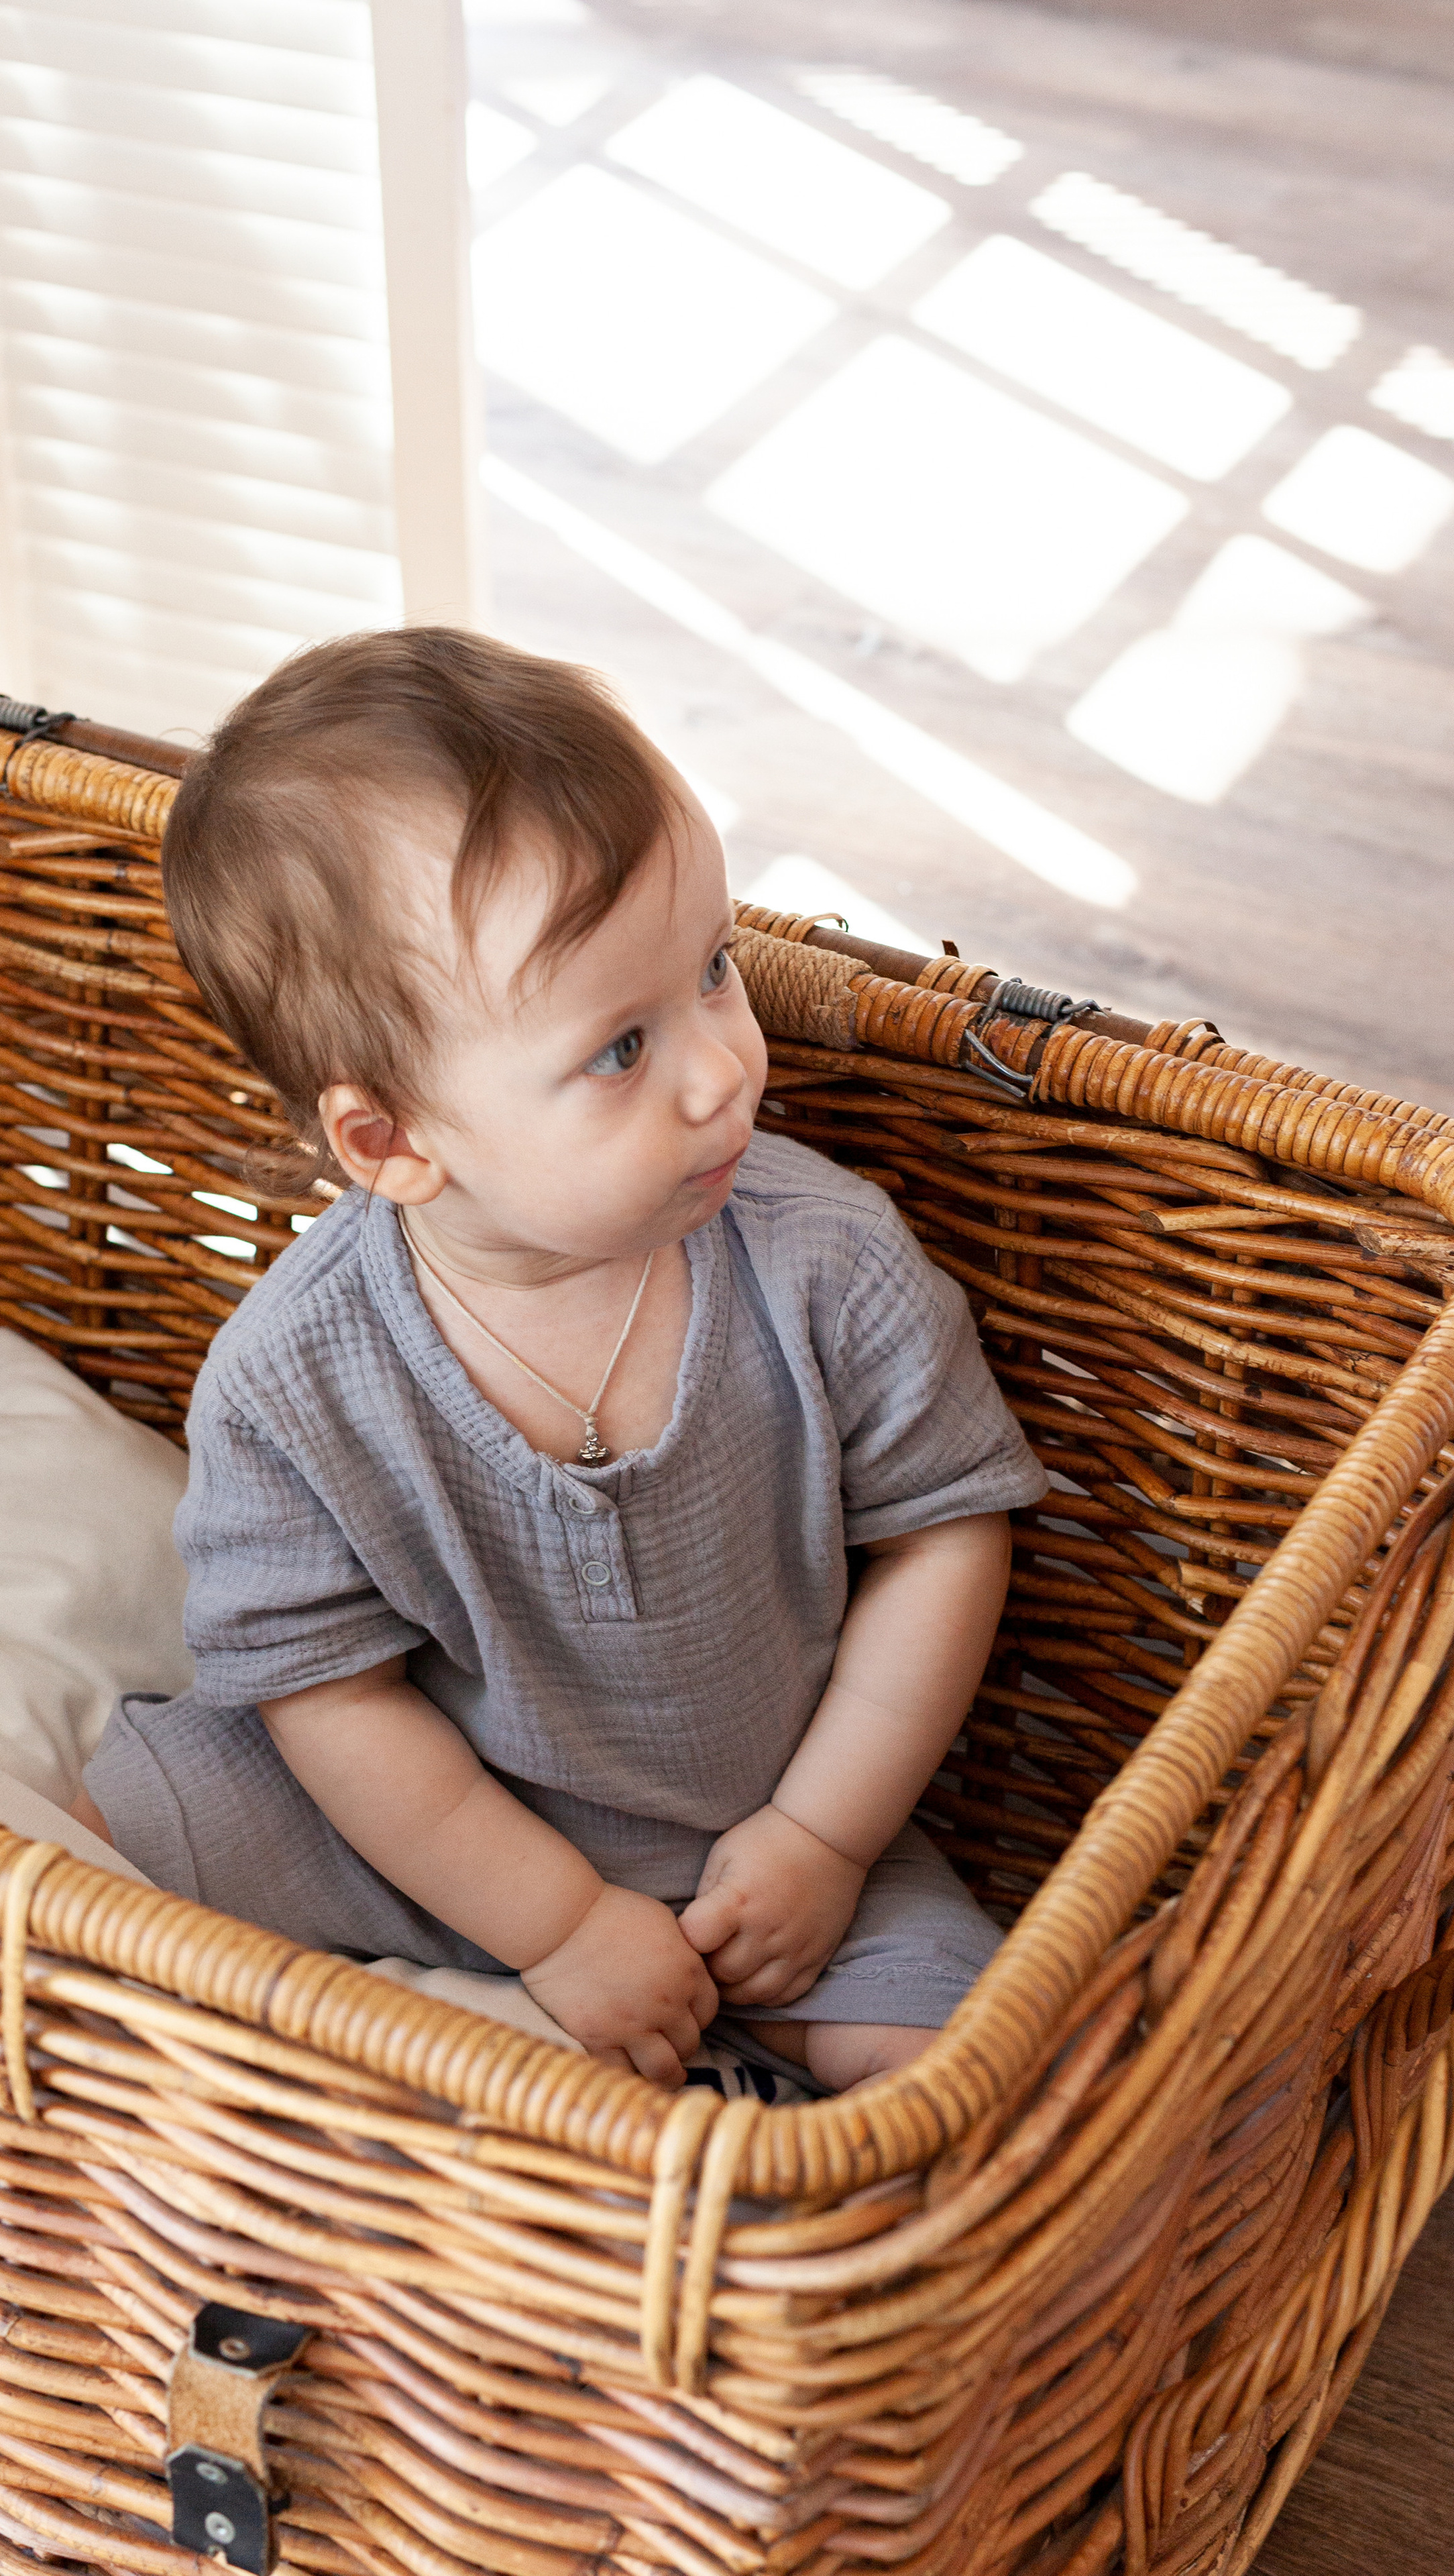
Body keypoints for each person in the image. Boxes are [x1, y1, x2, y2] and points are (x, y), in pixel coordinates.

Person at [77, 629, 1047, 2093]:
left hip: (772, 1823)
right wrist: (556, 1924)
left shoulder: (820, 1255)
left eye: (714, 969)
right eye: (621, 1050)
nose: (723, 1070)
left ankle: (743, 2050)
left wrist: (826, 1839)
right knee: (101, 1838)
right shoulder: (293, 1382)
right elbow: (332, 1697)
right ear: (392, 1143)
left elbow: (945, 1536)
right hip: (432, 1836)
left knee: (957, 2080)